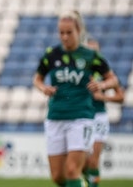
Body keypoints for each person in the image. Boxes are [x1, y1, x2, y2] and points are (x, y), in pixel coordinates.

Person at [32, 10, 118, 187]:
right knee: (58, 176)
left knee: (72, 170)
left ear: (79, 31)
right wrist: (44, 88)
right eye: (61, 32)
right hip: (55, 116)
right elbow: (37, 78)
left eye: (69, 32)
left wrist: (102, 86)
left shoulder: (90, 56)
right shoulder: (51, 54)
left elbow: (113, 79)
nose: (64, 37)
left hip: (81, 117)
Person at [83, 36, 124, 187]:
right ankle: (85, 181)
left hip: (99, 116)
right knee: (81, 162)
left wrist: (102, 97)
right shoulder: (80, 71)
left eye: (95, 51)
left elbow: (121, 97)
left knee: (93, 161)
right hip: (81, 117)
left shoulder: (105, 73)